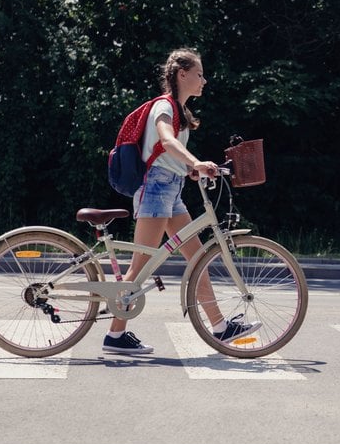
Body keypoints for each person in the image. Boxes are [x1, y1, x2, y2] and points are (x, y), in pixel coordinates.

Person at [103, 48, 261, 354]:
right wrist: (195, 161)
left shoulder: (180, 111)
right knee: (140, 268)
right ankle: (115, 335)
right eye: (199, 74)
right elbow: (166, 141)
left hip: (170, 189)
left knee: (198, 259)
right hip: (156, 188)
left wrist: (190, 169)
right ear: (182, 74)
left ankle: (219, 326)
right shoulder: (164, 107)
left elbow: (168, 154)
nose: (204, 80)